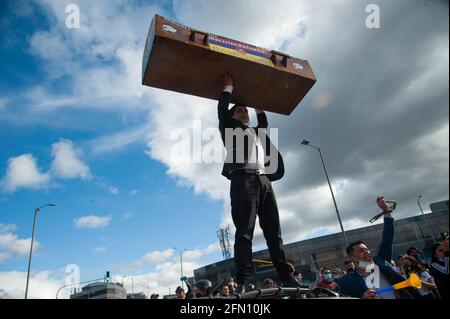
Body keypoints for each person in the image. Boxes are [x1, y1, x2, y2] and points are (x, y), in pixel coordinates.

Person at [217, 71, 299, 294]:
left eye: (246, 111)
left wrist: (259, 104)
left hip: (264, 181)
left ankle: (286, 275)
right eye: (239, 111)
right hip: (243, 180)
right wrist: (227, 88)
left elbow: (262, 120)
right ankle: (246, 279)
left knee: (274, 232)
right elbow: (221, 111)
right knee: (245, 231)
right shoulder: (229, 128)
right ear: (233, 116)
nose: (244, 113)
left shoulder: (256, 131)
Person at [337, 196, 421, 299]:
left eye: (366, 249)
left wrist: (386, 212)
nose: (366, 252)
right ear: (352, 258)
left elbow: (387, 239)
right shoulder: (345, 281)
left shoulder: (381, 260)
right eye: (360, 251)